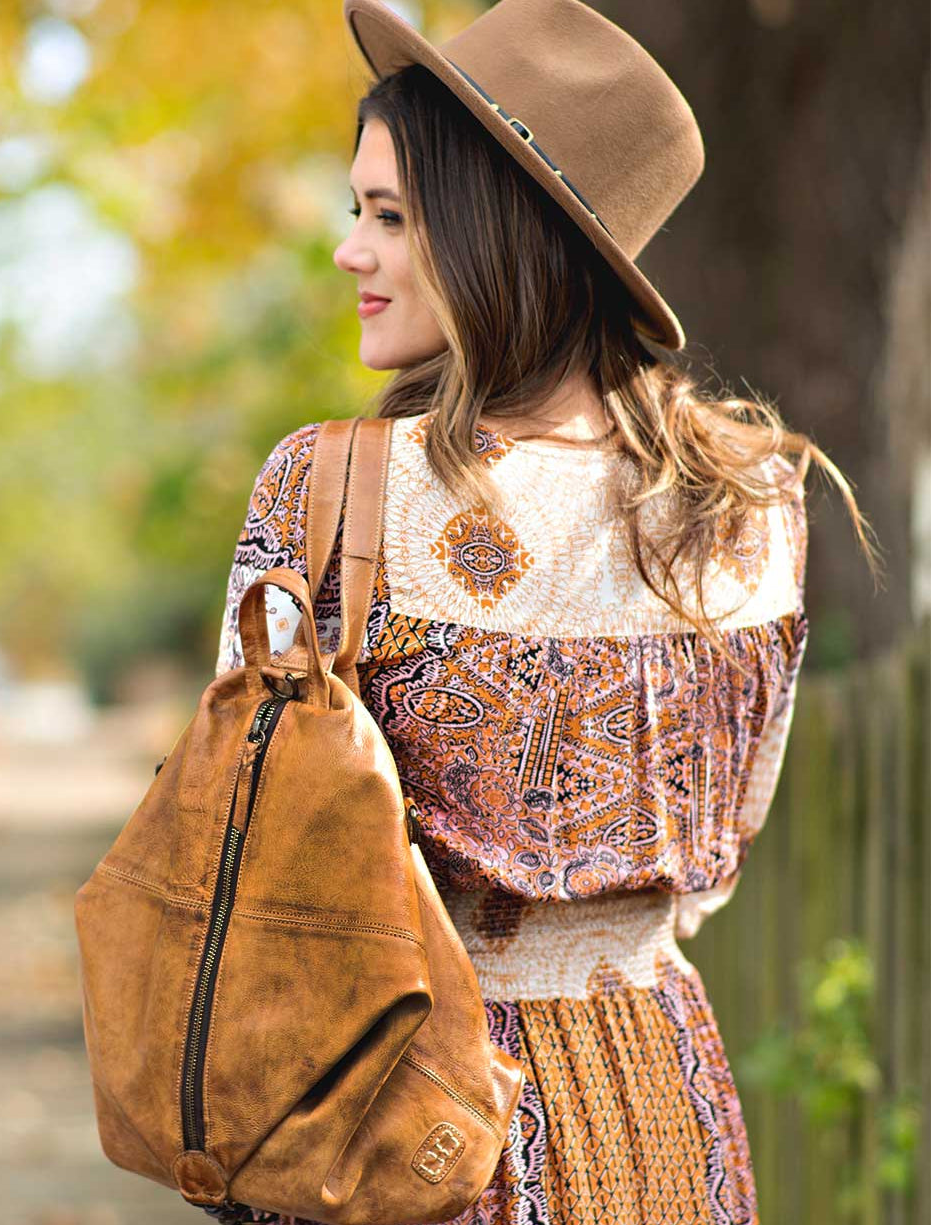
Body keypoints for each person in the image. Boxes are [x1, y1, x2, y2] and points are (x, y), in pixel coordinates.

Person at [206, 1, 875, 1222]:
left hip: (396, 1107)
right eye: (358, 210)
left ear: (495, 229)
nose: (351, 251)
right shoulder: (754, 504)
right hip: (660, 1093)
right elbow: (727, 848)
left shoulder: (328, 487)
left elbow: (244, 830)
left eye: (391, 217)